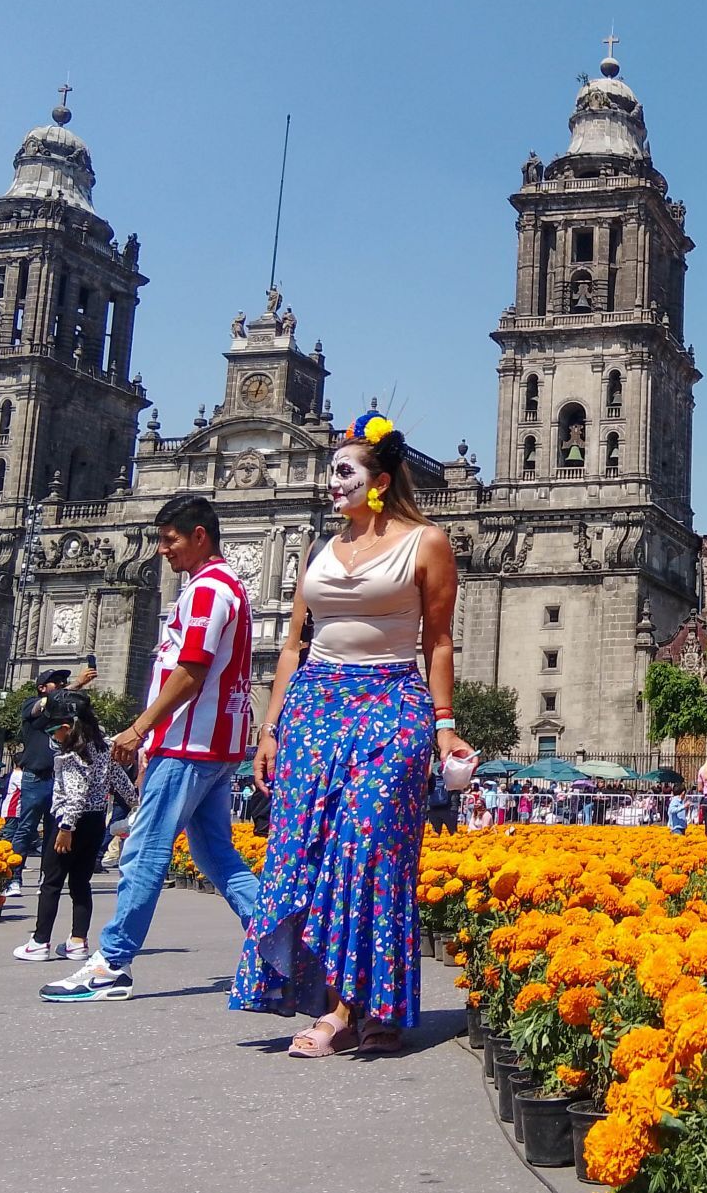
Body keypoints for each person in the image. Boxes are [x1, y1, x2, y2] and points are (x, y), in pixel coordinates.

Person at [231, 411, 470, 1056]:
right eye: (329, 472)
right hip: (314, 705)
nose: (329, 482)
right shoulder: (318, 550)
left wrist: (444, 728)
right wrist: (271, 730)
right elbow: (292, 647)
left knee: (371, 853)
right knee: (303, 852)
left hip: (391, 702)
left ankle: (366, 1009)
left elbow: (440, 643)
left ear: (379, 481)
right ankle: (334, 1004)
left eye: (343, 472)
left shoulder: (425, 543)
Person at [43, 495, 261, 1003]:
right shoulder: (219, 589)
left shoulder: (209, 590)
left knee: (143, 851)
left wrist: (139, 729)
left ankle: (112, 964)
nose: (163, 550)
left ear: (200, 536)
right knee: (217, 857)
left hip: (189, 743)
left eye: (171, 540)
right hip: (212, 744)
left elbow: (192, 671)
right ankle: (281, 942)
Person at [14, 691, 137, 962]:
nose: (52, 737)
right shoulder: (104, 748)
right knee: (81, 883)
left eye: (53, 730)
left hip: (69, 824)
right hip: (94, 823)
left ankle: (39, 941)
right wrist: (134, 805)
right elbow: (121, 782)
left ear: (67, 727)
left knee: (51, 883)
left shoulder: (72, 755)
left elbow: (76, 792)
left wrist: (66, 827)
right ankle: (78, 941)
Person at [5, 667, 96, 896]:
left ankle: (47, 877)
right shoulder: (32, 705)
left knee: (55, 831)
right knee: (26, 828)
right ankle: (13, 878)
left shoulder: (64, 712)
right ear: (42, 688)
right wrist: (77, 683)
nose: (62, 684)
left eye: (63, 681)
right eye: (56, 682)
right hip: (36, 777)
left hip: (59, 779)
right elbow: (46, 703)